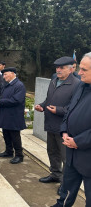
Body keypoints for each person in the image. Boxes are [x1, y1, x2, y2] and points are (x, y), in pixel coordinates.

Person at [35, 57, 79, 194]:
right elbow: (49, 100)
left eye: (62, 67)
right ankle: (55, 174)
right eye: (57, 67)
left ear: (71, 69)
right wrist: (42, 106)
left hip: (64, 128)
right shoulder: (54, 81)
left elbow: (75, 108)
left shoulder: (77, 85)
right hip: (51, 125)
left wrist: (59, 110)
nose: (58, 70)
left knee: (65, 158)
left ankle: (65, 184)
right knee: (52, 152)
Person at [51, 52, 91, 207]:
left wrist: (78, 141)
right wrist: (64, 131)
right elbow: (70, 111)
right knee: (66, 189)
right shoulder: (82, 85)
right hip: (72, 152)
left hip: (87, 156)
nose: (79, 72)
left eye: (84, 70)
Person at [0, 67, 26, 164]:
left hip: (14, 115)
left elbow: (16, 100)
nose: (4, 77)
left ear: (13, 73)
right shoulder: (7, 84)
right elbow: (2, 95)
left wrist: (0, 102)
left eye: (5, 74)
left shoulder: (19, 85)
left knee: (15, 136)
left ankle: (19, 155)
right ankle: (9, 151)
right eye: (3, 75)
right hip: (5, 114)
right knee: (6, 134)